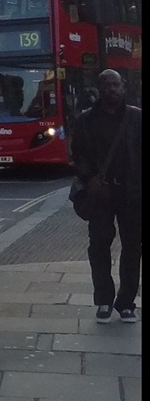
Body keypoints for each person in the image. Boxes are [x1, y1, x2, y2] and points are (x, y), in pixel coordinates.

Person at [69, 68, 142, 323]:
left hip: (132, 193)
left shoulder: (136, 118)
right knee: (99, 246)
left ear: (123, 87)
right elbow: (77, 154)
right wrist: (90, 179)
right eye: (107, 85)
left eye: (116, 85)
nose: (112, 89)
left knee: (132, 248)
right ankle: (103, 299)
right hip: (100, 193)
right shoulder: (86, 120)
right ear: (99, 89)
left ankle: (126, 303)